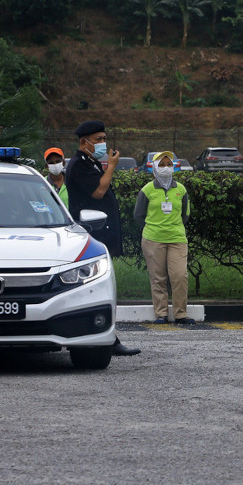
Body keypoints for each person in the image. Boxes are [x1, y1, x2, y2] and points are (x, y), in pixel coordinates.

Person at [64, 120, 140, 357]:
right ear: (83, 142)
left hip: (102, 233)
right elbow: (98, 192)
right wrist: (112, 166)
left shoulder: (91, 162)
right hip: (92, 235)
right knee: (96, 289)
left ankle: (107, 336)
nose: (103, 143)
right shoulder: (79, 165)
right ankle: (106, 338)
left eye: (104, 138)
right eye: (98, 140)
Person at [134, 152, 193, 325]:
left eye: (169, 164)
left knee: (180, 275)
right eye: (162, 164)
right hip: (153, 238)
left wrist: (173, 227)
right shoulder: (147, 190)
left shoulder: (181, 189)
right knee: (158, 278)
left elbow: (185, 214)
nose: (166, 167)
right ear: (154, 167)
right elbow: (139, 215)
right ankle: (161, 314)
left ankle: (181, 313)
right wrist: (153, 229)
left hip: (177, 238)